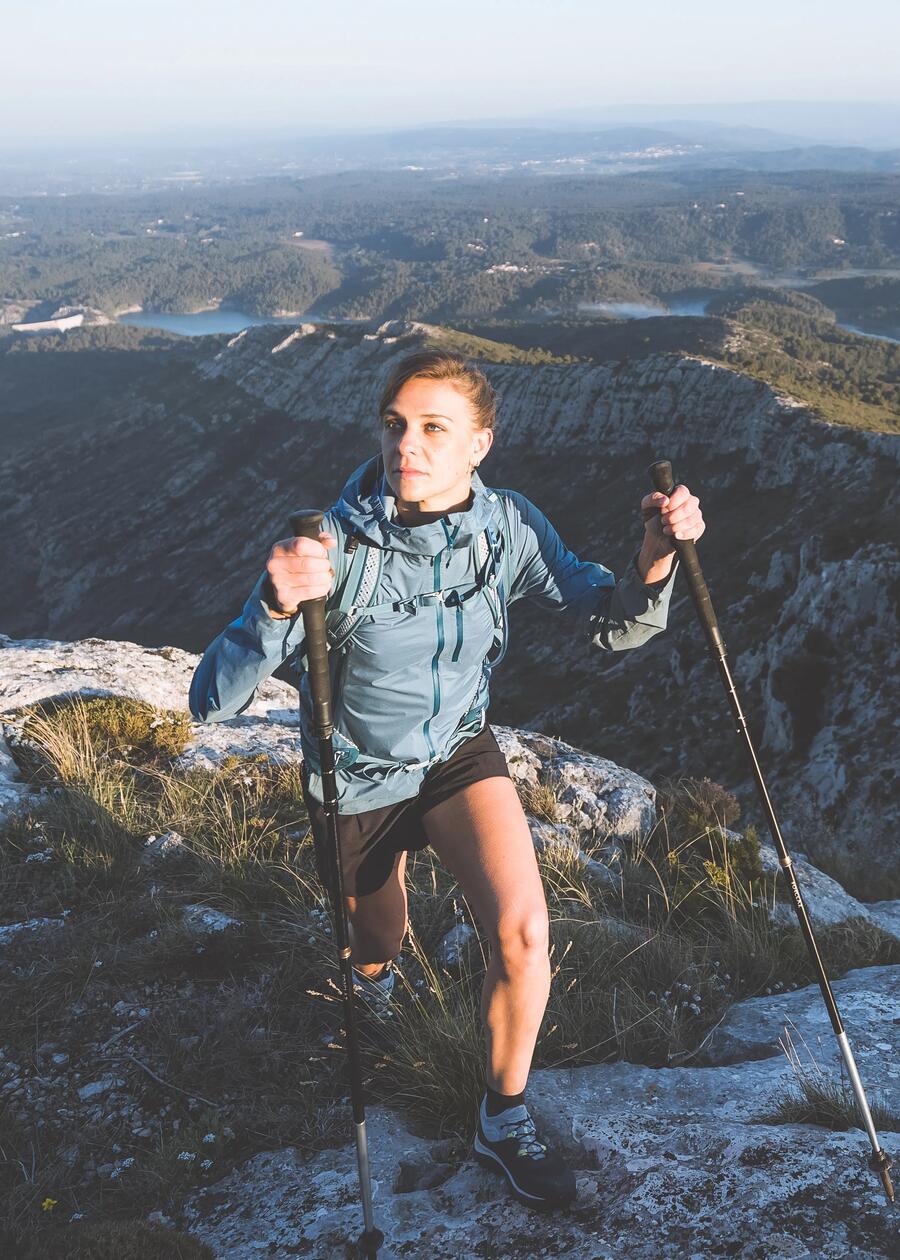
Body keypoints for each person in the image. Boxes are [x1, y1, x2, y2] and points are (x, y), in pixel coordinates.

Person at [189, 348, 705, 1210]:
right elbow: (213, 700)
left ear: (481, 445)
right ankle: (376, 994)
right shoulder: (333, 547)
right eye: (395, 425)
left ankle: (503, 1119)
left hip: (459, 753)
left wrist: (654, 556)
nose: (407, 446)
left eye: (434, 428)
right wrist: (273, 607)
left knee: (524, 930)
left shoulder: (505, 526)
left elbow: (608, 623)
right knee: (375, 950)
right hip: (356, 775)